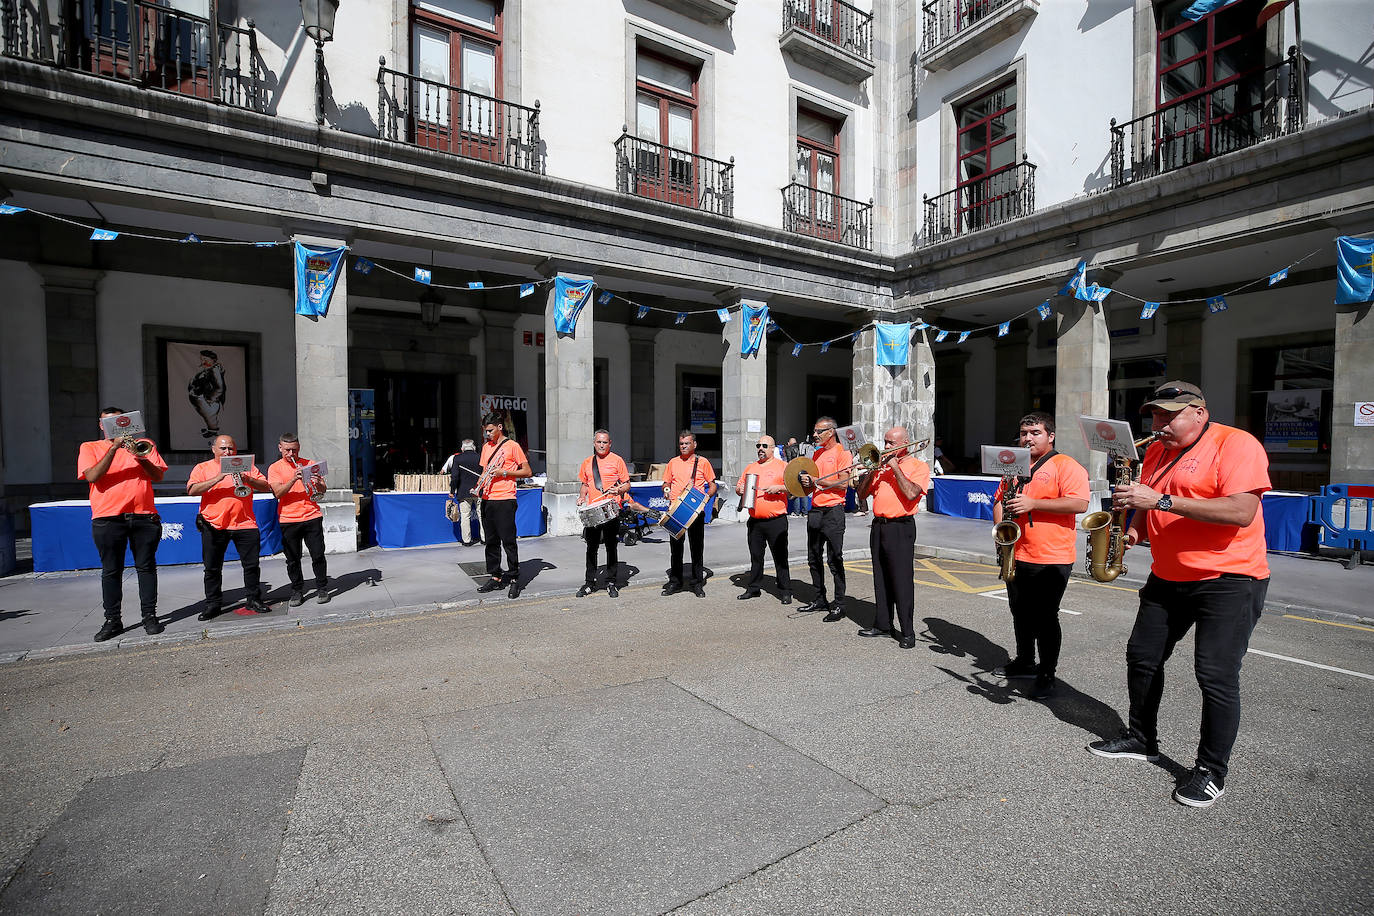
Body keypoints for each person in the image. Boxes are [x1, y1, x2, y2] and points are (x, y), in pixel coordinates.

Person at [1088, 381, 1271, 809]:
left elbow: (1241, 512)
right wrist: (1132, 529)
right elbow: (1146, 506)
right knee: (1142, 656)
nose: (1159, 424)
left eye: (1169, 415)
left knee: (1215, 675)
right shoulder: (1154, 450)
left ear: (1199, 413)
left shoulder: (1236, 444)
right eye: (1154, 415)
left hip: (1229, 577)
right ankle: (1141, 737)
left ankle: (1210, 771)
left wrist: (1163, 502)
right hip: (1168, 576)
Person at [990, 412, 1090, 699]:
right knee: (1019, 611)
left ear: (1051, 436)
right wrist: (1000, 531)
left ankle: (1047, 673)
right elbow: (1000, 499)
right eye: (1024, 433)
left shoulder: (1065, 465)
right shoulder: (1013, 465)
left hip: (1051, 556)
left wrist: (1034, 503)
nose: (1028, 438)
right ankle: (1024, 660)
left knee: (1046, 617)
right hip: (1016, 551)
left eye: (1035, 432)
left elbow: (1079, 502)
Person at [79, 407, 169, 641]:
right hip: (108, 518)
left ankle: (149, 616)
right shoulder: (90, 447)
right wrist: (113, 448)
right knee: (111, 570)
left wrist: (138, 455)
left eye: (119, 422)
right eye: (109, 423)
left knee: (146, 568)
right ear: (101, 426)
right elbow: (92, 476)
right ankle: (113, 620)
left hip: (143, 516)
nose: (115, 426)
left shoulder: (144, 444)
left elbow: (157, 476)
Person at [854, 427, 930, 649]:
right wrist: (871, 470)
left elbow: (911, 493)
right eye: (885, 442)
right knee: (881, 578)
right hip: (879, 525)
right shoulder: (880, 467)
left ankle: (907, 631)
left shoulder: (918, 466)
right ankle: (883, 624)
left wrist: (895, 468)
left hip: (901, 527)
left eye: (891, 443)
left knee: (901, 580)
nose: (886, 447)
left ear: (904, 443)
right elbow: (861, 495)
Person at [187, 435, 274, 619]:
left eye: (231, 449)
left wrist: (246, 478)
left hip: (245, 522)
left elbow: (266, 486)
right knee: (212, 568)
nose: (228, 452)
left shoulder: (247, 466)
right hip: (214, 523)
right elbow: (192, 490)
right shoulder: (202, 468)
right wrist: (219, 477)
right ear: (214, 449)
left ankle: (254, 599)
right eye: (223, 449)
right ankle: (213, 604)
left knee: (251, 566)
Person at [796, 417, 851, 621]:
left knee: (834, 559)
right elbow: (812, 486)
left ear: (832, 432)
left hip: (833, 510)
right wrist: (805, 482)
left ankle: (840, 604)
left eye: (819, 431)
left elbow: (844, 483)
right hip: (816, 510)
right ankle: (820, 599)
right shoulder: (817, 453)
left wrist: (816, 480)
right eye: (814, 431)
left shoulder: (843, 452)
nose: (815, 435)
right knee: (813, 558)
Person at [267, 433, 330, 607]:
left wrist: (318, 482)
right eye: (287, 450)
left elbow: (322, 490)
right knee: (292, 559)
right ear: (280, 448)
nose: (291, 454)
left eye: (294, 450)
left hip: (312, 516)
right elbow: (277, 493)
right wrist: (294, 478)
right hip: (288, 519)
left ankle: (322, 587)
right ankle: (297, 590)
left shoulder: (309, 464)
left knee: (318, 555)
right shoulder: (275, 468)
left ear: (299, 448)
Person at [474, 413, 532, 598]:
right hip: (488, 498)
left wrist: (505, 472)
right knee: (490, 541)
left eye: (490, 430)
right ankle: (495, 576)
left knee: (508, 540)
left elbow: (527, 470)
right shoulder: (485, 447)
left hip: (505, 498)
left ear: (500, 427)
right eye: (485, 431)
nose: (487, 434)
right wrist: (479, 486)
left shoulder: (512, 446)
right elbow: (485, 471)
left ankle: (514, 578)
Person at [735, 434, 792, 605]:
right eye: (758, 446)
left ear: (773, 449)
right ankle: (753, 588)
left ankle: (785, 590)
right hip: (755, 521)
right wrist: (740, 489)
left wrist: (779, 487)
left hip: (776, 520)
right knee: (756, 556)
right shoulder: (751, 467)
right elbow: (739, 486)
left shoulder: (783, 466)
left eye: (764, 446)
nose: (760, 449)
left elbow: (794, 489)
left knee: (780, 557)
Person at [661, 430, 718, 597]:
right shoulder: (672, 462)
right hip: (676, 510)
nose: (683, 446)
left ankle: (697, 583)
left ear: (694, 444)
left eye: (686, 443)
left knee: (696, 548)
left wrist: (706, 498)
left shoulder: (703, 462)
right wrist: (665, 489)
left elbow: (712, 484)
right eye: (681, 444)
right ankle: (675, 582)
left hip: (694, 511)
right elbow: (666, 482)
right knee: (676, 549)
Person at [577, 429, 630, 598]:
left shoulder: (617, 460)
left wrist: (619, 488)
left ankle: (611, 581)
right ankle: (589, 582)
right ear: (594, 443)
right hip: (593, 512)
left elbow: (627, 484)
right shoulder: (587, 462)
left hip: (611, 510)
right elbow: (585, 484)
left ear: (610, 443)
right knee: (591, 548)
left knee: (611, 547)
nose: (601, 445)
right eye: (599, 442)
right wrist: (581, 497)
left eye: (605, 442)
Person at [443, 439, 482, 545]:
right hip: (479, 490)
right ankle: (485, 538)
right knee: (482, 515)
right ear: (474, 447)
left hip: (463, 491)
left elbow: (454, 477)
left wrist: (452, 490)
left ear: (462, 448)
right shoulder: (480, 457)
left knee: (465, 516)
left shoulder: (458, 458)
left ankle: (467, 540)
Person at [187, 349, 226, 439]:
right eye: (202, 359)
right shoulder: (208, 370)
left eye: (205, 359)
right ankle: (211, 430)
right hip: (203, 399)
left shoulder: (214, 371)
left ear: (213, 360)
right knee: (208, 417)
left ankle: (212, 431)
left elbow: (219, 388)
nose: (203, 361)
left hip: (208, 401)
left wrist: (211, 399)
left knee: (210, 417)